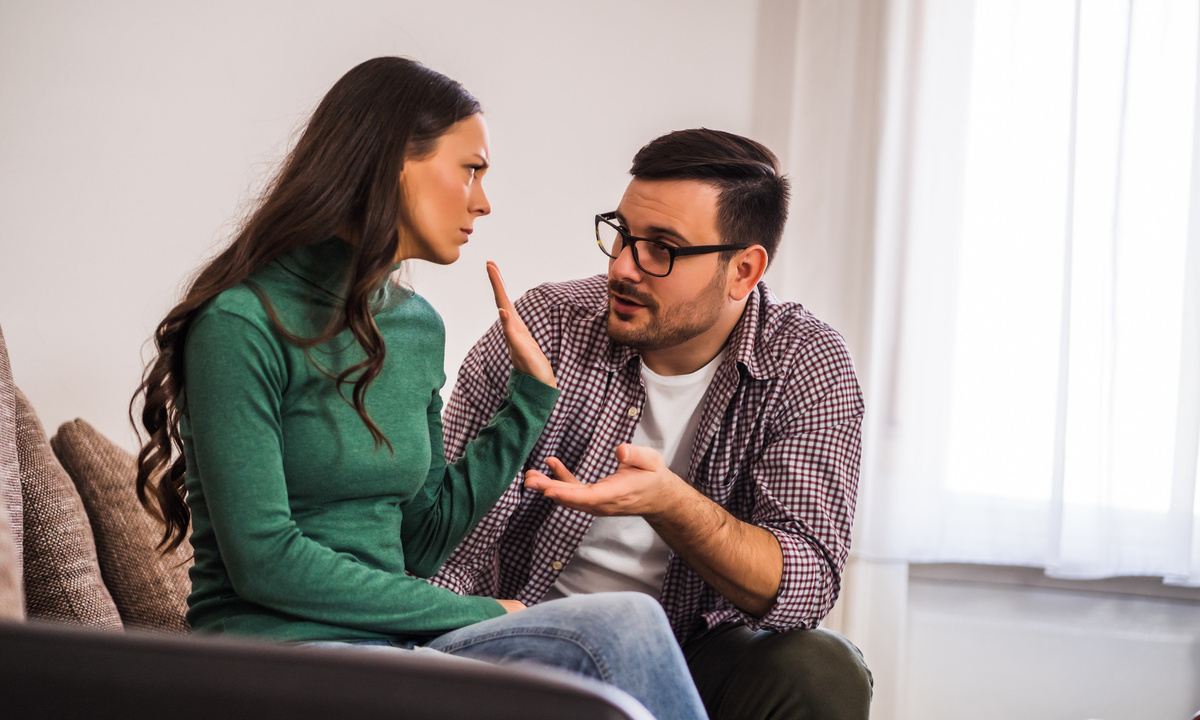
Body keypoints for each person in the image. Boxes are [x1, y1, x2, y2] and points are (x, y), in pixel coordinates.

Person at [131, 57, 706, 720]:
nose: (483, 202)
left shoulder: (415, 326)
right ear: (394, 164)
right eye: (471, 170)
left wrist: (528, 402)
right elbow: (265, 561)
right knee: (596, 642)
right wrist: (476, 611)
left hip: (395, 645)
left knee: (628, 620)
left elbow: (422, 542)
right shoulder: (240, 324)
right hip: (275, 653)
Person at [432, 128, 874, 719]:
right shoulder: (548, 325)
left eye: (662, 248)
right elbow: (440, 531)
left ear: (743, 270)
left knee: (822, 670)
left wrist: (670, 504)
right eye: (622, 234)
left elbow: (805, 584)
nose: (623, 267)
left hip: (692, 649)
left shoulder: (804, 362)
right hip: (525, 631)